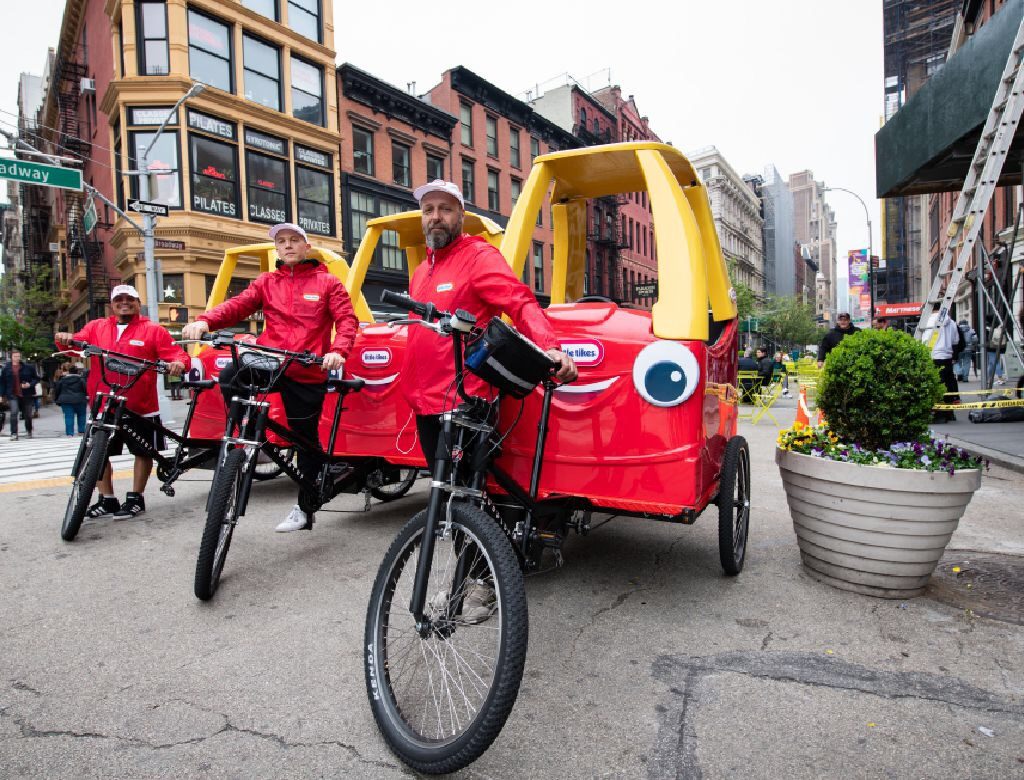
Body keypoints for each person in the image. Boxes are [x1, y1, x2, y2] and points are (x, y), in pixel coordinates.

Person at [182, 223, 358, 532]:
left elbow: (347, 320)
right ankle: (246, 434)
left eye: (294, 240)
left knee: (305, 439)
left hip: (306, 368)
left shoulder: (328, 282)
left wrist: (339, 351)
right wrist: (205, 321)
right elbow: (238, 306)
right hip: (270, 361)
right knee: (230, 374)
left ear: (307, 247)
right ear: (276, 249)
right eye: (282, 242)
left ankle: (305, 509)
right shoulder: (266, 282)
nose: (288, 245)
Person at [402, 180, 577, 471]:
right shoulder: (422, 271)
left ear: (461, 215)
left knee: (463, 497)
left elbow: (519, 301)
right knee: (439, 488)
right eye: (428, 209)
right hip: (424, 403)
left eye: (445, 209)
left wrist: (551, 348)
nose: (435, 216)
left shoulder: (479, 257)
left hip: (464, 399)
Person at [55, 285, 188, 519]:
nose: (124, 302)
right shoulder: (96, 327)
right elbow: (74, 346)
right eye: (119, 299)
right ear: (112, 304)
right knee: (98, 453)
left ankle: (136, 497)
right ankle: (107, 499)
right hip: (104, 403)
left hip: (141, 405)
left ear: (138, 302)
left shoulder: (153, 330)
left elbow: (176, 354)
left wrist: (177, 363)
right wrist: (65, 339)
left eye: (130, 299)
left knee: (143, 451)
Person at [922, 309, 960, 423]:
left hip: (933, 356)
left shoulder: (927, 321)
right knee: (948, 385)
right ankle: (949, 413)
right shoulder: (952, 322)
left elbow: (924, 340)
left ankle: (938, 414)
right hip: (947, 357)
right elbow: (956, 340)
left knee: (935, 385)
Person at [0, 350, 41, 441]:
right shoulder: (6, 369)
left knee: (28, 414)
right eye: (15, 356)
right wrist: (1, 395)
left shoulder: (28, 367)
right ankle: (14, 433)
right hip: (12, 394)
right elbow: (2, 382)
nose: (17, 358)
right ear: (11, 357)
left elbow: (36, 378)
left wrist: (30, 384)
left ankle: (28, 430)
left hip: (27, 394)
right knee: (14, 413)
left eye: (18, 356)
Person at [54, 364, 89, 436]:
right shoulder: (81, 379)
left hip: (66, 400)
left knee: (68, 416)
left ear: (69, 372)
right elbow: (86, 389)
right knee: (81, 415)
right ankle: (81, 431)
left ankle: (70, 433)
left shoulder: (62, 380)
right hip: (80, 399)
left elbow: (57, 390)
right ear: (77, 372)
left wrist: (57, 399)